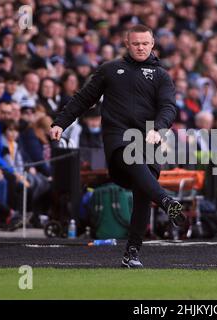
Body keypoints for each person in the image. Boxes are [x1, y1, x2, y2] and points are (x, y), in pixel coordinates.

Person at [50, 24, 186, 268]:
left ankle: (132, 252)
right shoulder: (110, 70)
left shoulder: (162, 76)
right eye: (136, 43)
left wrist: (158, 128)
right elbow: (83, 98)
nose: (141, 47)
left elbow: (168, 107)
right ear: (127, 44)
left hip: (150, 139)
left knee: (144, 195)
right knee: (130, 156)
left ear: (153, 43)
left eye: (145, 43)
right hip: (118, 137)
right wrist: (60, 122)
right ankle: (166, 201)